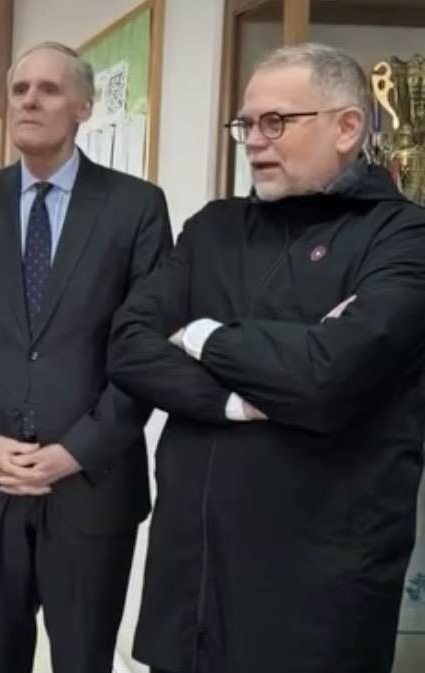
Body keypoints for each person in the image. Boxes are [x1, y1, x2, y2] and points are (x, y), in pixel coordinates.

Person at [108, 42, 425, 673]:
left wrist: (199, 335)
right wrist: (230, 400)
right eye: (245, 124)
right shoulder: (214, 229)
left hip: (318, 589)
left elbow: (324, 377)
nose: (253, 139)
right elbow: (128, 345)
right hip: (193, 578)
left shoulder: (403, 237)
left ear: (347, 126)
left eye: (275, 121)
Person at [0, 41, 172, 673]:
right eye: (19, 90)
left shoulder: (135, 206)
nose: (29, 101)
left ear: (84, 106)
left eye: (49, 90)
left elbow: (144, 348)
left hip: (90, 485)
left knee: (83, 657)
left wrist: (77, 450)